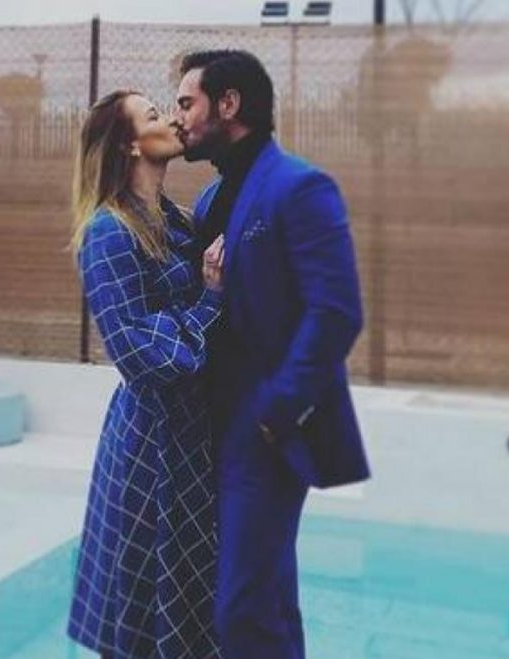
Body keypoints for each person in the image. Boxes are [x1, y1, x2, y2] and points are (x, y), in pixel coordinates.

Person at [173, 50, 371, 659]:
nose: (179, 118)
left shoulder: (300, 187)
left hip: (264, 432)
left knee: (241, 610)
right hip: (212, 427)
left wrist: (277, 411)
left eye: (187, 103)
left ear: (228, 104)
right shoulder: (209, 201)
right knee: (268, 600)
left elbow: (336, 311)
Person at [66, 90, 225, 659]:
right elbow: (141, 356)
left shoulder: (173, 219)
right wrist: (211, 300)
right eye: (155, 115)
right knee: (143, 614)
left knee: (190, 608)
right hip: (150, 449)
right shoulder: (108, 233)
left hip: (190, 442)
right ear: (131, 145)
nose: (173, 119)